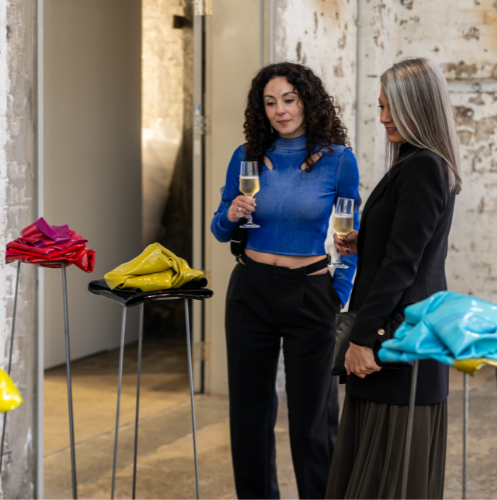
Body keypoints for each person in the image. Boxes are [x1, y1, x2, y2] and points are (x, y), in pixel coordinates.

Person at [211, 62, 360, 499]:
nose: (281, 110)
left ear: (307, 101)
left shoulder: (338, 160)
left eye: (289, 100)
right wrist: (230, 213)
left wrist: (338, 292)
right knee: (250, 415)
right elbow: (220, 229)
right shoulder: (246, 156)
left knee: (313, 419)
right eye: (270, 102)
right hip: (250, 290)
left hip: (310, 292)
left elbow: (350, 238)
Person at [325, 57, 461, 499]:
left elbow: (403, 264)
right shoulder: (419, 161)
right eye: (381, 106)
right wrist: (366, 241)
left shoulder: (423, 166)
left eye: (391, 107)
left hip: (399, 335)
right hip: (403, 330)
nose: (383, 117)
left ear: (418, 107)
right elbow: (409, 245)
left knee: (390, 472)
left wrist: (362, 338)